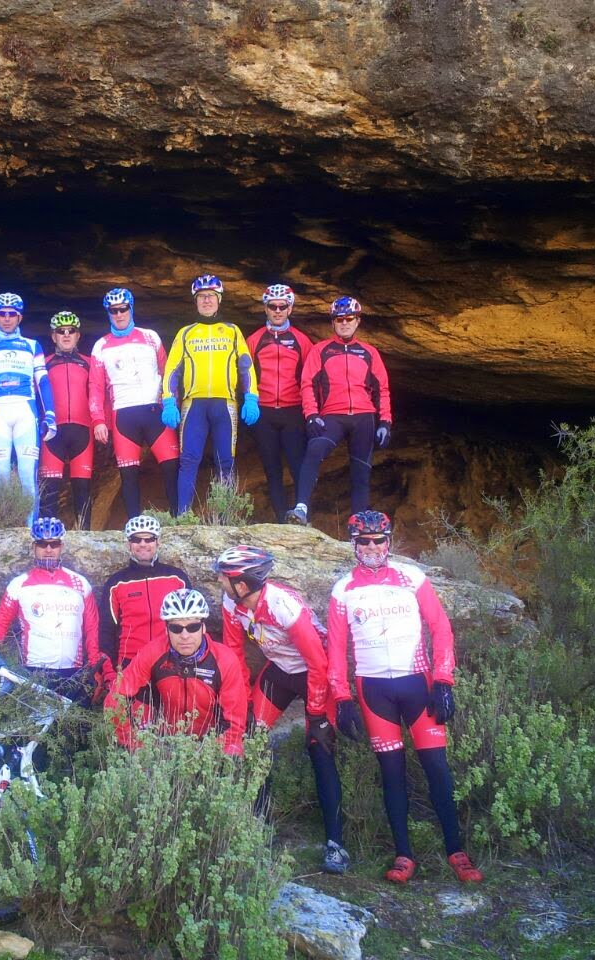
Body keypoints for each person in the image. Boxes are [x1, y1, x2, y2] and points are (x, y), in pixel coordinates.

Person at [326, 510, 483, 884]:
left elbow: (440, 627)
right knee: (391, 774)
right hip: (373, 689)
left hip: (418, 685)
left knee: (437, 770)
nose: (372, 547)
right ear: (354, 544)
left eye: (379, 539)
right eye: (364, 541)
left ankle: (456, 852)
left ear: (389, 541)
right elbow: (335, 648)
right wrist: (342, 698)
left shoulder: (413, 577)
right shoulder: (342, 589)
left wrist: (444, 680)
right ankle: (404, 855)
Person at [215, 544, 351, 874]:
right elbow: (234, 655)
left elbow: (318, 661)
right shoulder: (232, 603)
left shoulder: (281, 603)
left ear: (242, 584)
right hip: (280, 671)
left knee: (320, 748)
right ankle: (256, 826)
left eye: (222, 577)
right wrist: (242, 701)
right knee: (250, 739)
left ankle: (335, 843)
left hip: (314, 672)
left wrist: (317, 712)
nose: (218, 581)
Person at [286, 297, 392, 526]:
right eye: (339, 319)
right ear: (333, 322)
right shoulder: (321, 351)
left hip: (364, 417)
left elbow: (382, 389)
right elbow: (307, 385)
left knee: (360, 472)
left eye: (349, 319)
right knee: (314, 448)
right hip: (333, 415)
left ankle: (359, 525)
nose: (344, 323)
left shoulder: (369, 352)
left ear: (358, 321)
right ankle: (301, 508)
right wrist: (311, 415)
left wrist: (385, 422)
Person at [104, 588, 248, 756]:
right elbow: (115, 699)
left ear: (203, 628)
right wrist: (134, 742)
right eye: (176, 628)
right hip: (160, 740)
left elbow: (235, 724)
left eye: (193, 627)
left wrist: (204, 755)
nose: (185, 635)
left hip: (209, 742)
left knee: (234, 752)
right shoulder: (152, 652)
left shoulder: (224, 659)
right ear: (166, 629)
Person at [161, 275, 260, 514]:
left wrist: (251, 397)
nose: (206, 301)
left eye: (211, 297)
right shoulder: (185, 333)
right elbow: (172, 370)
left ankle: (224, 518)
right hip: (193, 404)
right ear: (195, 301)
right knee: (188, 460)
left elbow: (246, 366)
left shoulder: (232, 331)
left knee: (225, 461)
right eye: (202, 297)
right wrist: (168, 401)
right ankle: (183, 515)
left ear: (219, 300)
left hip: (224, 404)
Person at [88, 287, 180, 517]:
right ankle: (133, 527)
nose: (119, 314)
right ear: (108, 313)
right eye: (113, 310)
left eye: (123, 309)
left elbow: (168, 373)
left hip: (155, 411)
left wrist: (172, 403)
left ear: (131, 308)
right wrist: (98, 420)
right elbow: (95, 386)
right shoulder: (101, 345)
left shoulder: (150, 336)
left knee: (172, 468)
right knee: (128, 475)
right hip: (123, 415)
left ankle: (181, 520)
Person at [0, 516, 100, 690]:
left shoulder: (81, 583)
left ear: (62, 547)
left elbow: (92, 629)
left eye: (54, 544)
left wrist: (96, 667)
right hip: (34, 672)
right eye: (42, 544)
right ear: (34, 547)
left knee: (70, 718)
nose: (48, 549)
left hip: (73, 672)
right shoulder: (19, 584)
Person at [0, 293, 57, 505]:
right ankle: (3, 532)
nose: (7, 318)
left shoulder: (32, 345)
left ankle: (29, 531)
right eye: (2, 314)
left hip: (25, 412)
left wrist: (51, 415)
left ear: (19, 318)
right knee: (1, 477)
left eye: (12, 314)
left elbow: (43, 381)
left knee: (28, 476)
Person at [97, 514, 191, 688]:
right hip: (129, 663)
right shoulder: (116, 583)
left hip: (170, 661)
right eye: (136, 539)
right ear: (128, 544)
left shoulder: (177, 578)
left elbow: (193, 623)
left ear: (158, 542)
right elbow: (106, 631)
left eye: (149, 539)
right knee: (130, 715)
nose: (143, 544)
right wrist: (109, 672)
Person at [246, 284, 314, 522]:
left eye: (282, 306)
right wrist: (247, 400)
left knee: (298, 466)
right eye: (272, 306)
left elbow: (311, 378)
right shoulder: (254, 339)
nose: (277, 310)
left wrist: (311, 412)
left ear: (290, 308)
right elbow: (244, 375)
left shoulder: (301, 341)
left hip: (292, 411)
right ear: (265, 308)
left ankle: (302, 516)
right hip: (263, 412)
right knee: (272, 469)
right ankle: (280, 521)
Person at [40, 311, 94, 529]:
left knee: (83, 488)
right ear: (53, 337)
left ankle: (86, 537)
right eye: (60, 331)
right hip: (53, 431)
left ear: (78, 335)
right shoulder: (43, 364)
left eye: (70, 331)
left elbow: (100, 394)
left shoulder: (90, 363)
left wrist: (105, 425)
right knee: (49, 489)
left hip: (83, 430)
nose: (65, 335)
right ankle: (45, 540)